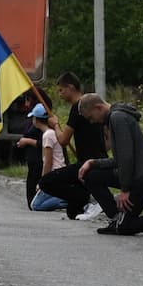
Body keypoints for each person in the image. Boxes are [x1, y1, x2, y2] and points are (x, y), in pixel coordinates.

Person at [36, 73, 108, 220]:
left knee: (46, 182)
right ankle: (86, 200)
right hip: (99, 159)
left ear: (70, 87)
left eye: (61, 90)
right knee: (72, 213)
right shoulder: (92, 106)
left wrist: (55, 124)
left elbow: (63, 140)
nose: (60, 94)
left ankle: (87, 198)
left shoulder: (78, 107)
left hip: (87, 164)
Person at [86, 96, 143, 233]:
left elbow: (126, 157)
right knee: (91, 176)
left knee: (125, 227)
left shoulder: (117, 118)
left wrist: (125, 190)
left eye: (91, 117)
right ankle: (117, 218)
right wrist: (93, 163)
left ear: (98, 108)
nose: (92, 122)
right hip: (135, 176)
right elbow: (119, 159)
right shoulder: (116, 117)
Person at [17, 103, 69, 212]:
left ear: (36, 120)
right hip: (59, 172)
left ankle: (67, 200)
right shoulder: (53, 133)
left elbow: (48, 162)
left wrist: (42, 182)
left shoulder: (47, 135)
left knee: (36, 205)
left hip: (55, 172)